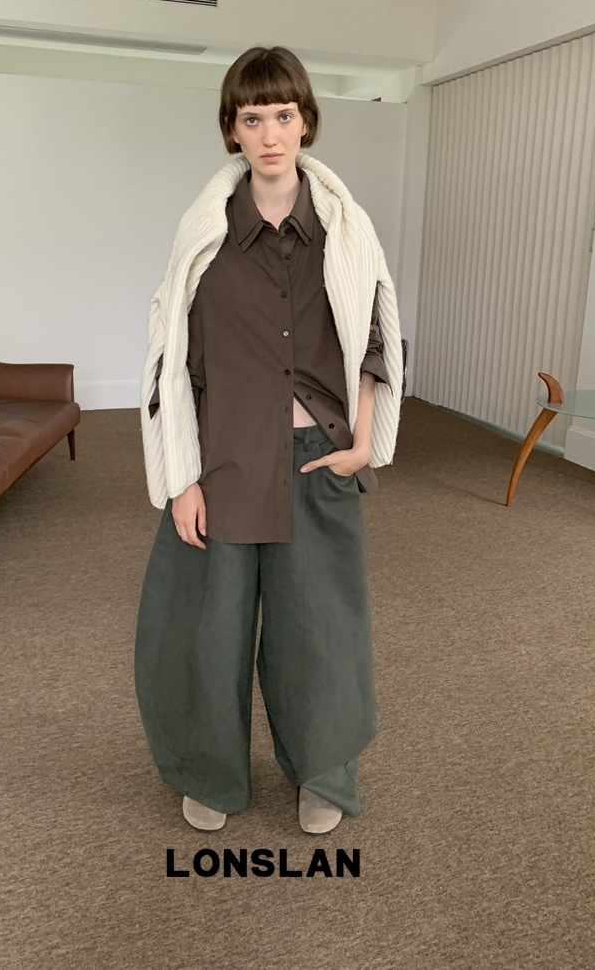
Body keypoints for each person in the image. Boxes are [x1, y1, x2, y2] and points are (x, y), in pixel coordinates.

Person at [135, 45, 402, 834]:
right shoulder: (204, 239)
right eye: (253, 118)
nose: (270, 133)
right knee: (204, 634)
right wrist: (183, 477)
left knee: (320, 632)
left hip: (317, 461)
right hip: (224, 464)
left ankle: (324, 771)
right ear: (233, 129)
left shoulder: (345, 232)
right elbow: (177, 364)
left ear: (306, 121)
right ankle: (210, 772)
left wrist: (361, 441)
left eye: (283, 115)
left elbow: (375, 339)